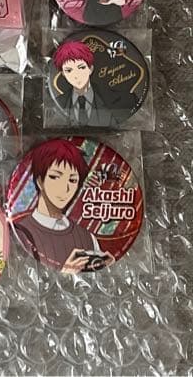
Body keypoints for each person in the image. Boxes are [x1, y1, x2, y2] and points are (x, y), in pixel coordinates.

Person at [11, 139, 115, 274]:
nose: (65, 188)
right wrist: (65, 272)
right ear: (40, 181)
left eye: (72, 180)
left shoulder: (87, 238)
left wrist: (106, 268)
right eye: (55, 177)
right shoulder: (20, 232)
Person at [51, 41, 129, 127]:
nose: (76, 75)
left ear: (90, 69)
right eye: (68, 70)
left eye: (81, 67)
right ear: (63, 74)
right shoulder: (55, 104)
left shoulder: (122, 99)